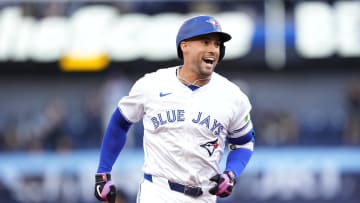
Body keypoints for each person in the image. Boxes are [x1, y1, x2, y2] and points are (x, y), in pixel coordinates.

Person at [94, 15, 255, 203]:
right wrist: (103, 172)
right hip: (158, 191)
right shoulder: (151, 85)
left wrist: (231, 173)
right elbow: (120, 123)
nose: (213, 50)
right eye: (205, 42)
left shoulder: (233, 96)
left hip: (204, 196)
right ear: (184, 46)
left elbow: (243, 143)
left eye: (217, 45)